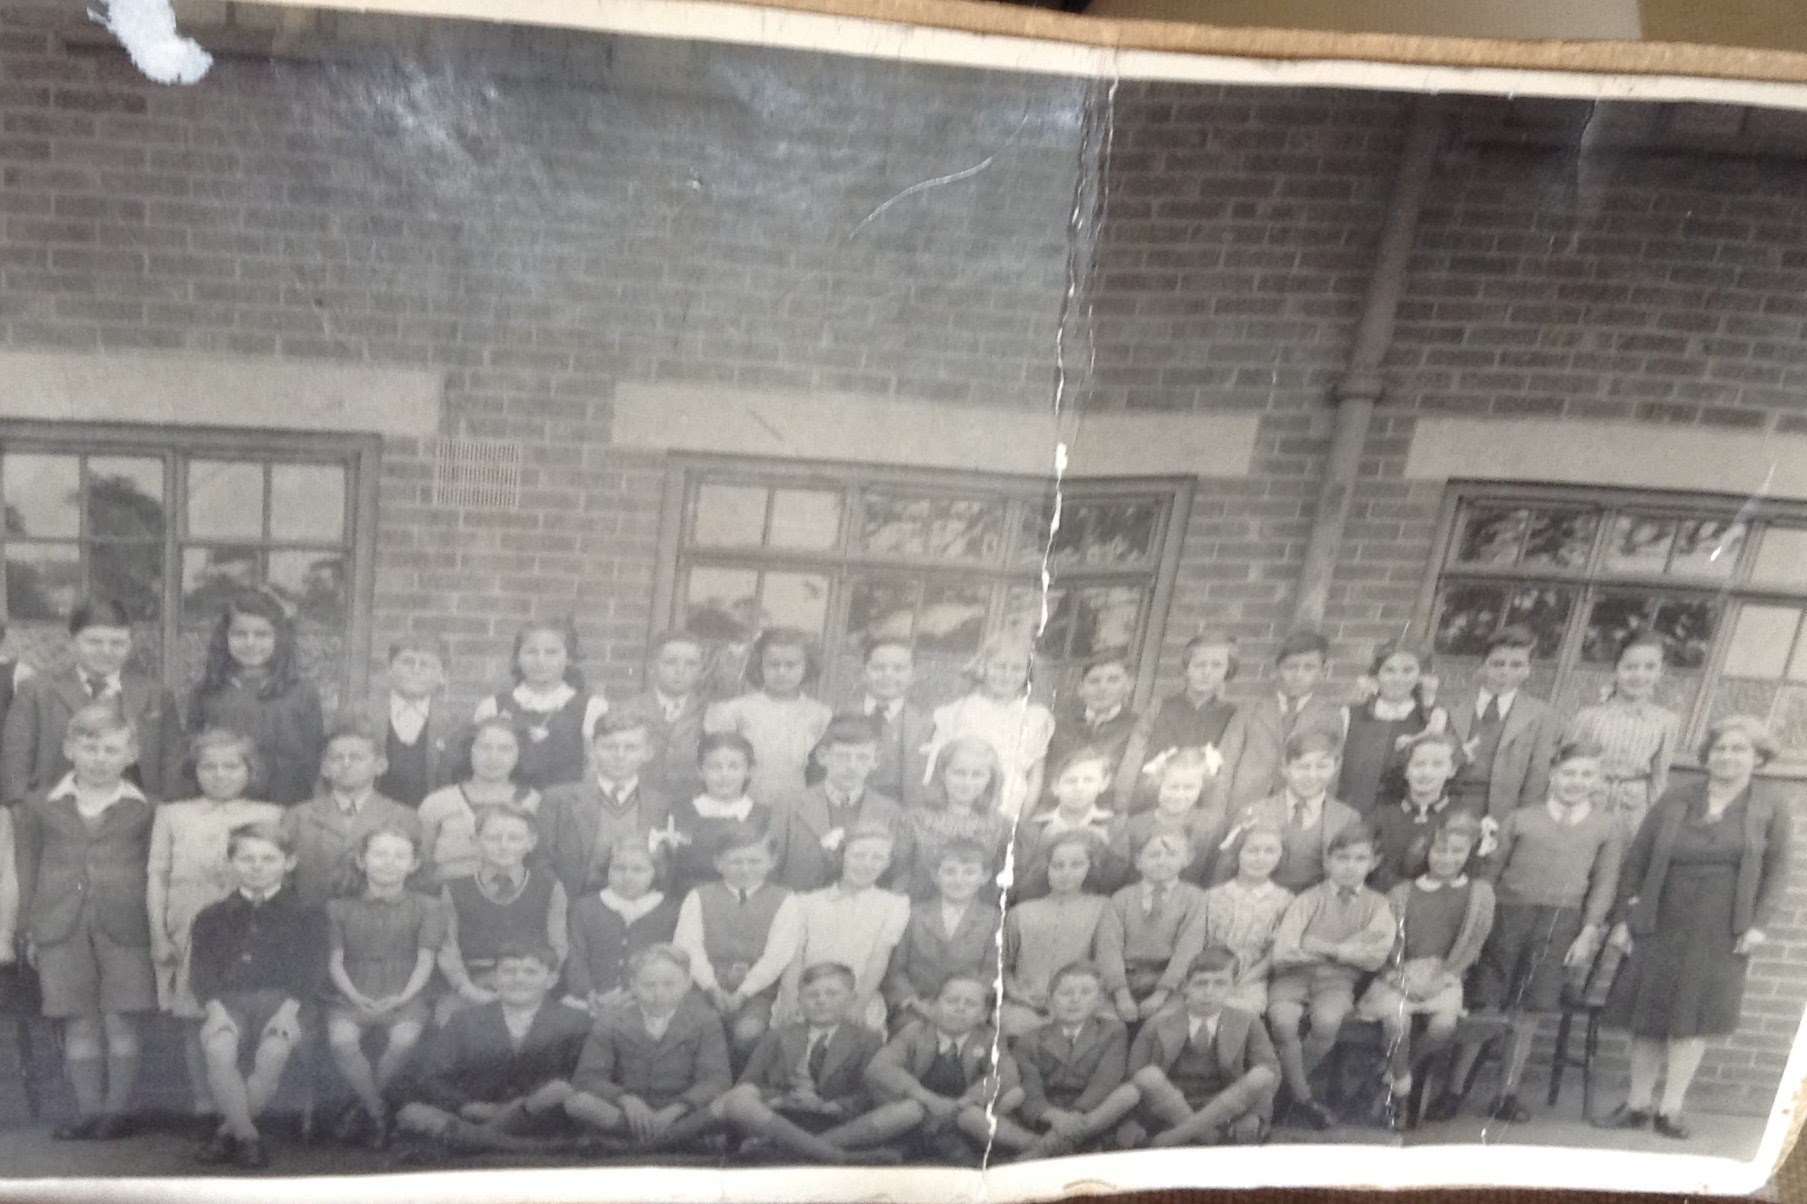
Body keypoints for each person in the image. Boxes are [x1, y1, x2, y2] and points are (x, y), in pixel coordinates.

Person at [1597, 715, 1791, 1141]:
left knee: (1694, 1016)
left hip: (1721, 926)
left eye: (1739, 749)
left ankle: (1671, 1108)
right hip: (1660, 916)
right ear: (1707, 756)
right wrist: (1623, 919)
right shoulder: (1677, 798)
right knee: (1647, 1013)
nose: (1727, 756)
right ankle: (1637, 1103)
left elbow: (1778, 871)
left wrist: (1758, 925)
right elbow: (1638, 858)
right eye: (1720, 748)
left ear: (1757, 758)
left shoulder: (1769, 805)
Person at [1436, 739, 1622, 1125]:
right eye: (1569, 773)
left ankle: (1506, 1093)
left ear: (1598, 780)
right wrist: (1483, 923)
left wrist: (1588, 931)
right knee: (1486, 1001)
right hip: (1509, 916)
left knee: (1530, 1009)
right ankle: (1454, 1090)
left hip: (1561, 921)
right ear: (1554, 774)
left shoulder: (1606, 826)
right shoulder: (1521, 819)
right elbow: (1490, 875)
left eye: (1586, 774)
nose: (1576, 782)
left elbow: (1604, 883)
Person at [13, 703, 157, 1140]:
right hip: (60, 925)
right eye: (89, 747)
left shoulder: (148, 808)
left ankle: (116, 1111)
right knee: (77, 1019)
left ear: (131, 753)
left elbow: (157, 871)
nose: (99, 758)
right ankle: (87, 1110)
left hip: (127, 927)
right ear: (68, 749)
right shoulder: (41, 806)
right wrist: (27, 929)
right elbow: (26, 868)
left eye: (112, 749)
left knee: (120, 1018)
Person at [147, 728, 283, 1117]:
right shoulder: (173, 814)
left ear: (249, 771)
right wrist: (159, 934)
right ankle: (205, 1103)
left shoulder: (268, 814)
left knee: (243, 1007)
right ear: (195, 770)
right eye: (209, 766)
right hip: (187, 921)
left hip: (246, 922)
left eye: (231, 766)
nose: (220, 774)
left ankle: (243, 1105)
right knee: (197, 1013)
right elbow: (157, 875)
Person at [188, 821, 328, 1169]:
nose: (257, 867)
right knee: (218, 1049)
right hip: (229, 1004)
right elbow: (201, 973)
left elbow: (311, 970)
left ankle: (226, 1133)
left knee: (273, 1051)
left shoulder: (307, 914)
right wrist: (216, 1011)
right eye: (247, 858)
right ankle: (247, 1136)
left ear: (289, 862)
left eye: (269, 859)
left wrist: (287, 1013)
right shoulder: (211, 916)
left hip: (286, 1004)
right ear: (231, 863)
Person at [394, 941, 591, 1157]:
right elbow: (431, 1076)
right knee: (412, 1113)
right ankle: (528, 1147)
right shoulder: (465, 1021)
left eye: (531, 972)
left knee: (556, 1090)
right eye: (508, 971)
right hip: (477, 1113)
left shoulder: (576, 1021)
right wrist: (466, 1105)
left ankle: (473, 1140)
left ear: (551, 980)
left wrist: (530, 1104)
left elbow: (582, 1079)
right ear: (495, 978)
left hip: (541, 1116)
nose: (519, 979)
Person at [1358, 817, 1494, 1129]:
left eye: (1456, 852)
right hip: (1400, 971)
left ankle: (1392, 1073)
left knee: (1444, 1025)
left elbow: (1475, 940)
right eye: (1439, 851)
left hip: (1445, 974)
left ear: (1468, 854)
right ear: (1425, 853)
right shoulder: (1403, 892)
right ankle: (1402, 1090)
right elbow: (1386, 941)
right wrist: (1399, 979)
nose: (1446, 859)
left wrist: (1447, 976)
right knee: (1398, 1022)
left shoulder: (1479, 893)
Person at [1265, 822, 1393, 1130]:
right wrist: (1349, 950)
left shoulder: (1378, 905)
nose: (1350, 867)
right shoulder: (1308, 899)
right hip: (1292, 977)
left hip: (1338, 982)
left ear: (1373, 862)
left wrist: (1319, 946)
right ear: (1328, 861)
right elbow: (1285, 951)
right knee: (1282, 1021)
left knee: (1327, 1023)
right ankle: (1303, 1097)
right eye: (1342, 858)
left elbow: (1375, 957)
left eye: (1360, 859)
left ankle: (1284, 1092)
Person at [324, 826, 445, 1148]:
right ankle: (377, 1112)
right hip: (352, 990)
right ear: (362, 861)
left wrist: (403, 997)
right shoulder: (338, 908)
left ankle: (362, 1107)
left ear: (414, 863)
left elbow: (425, 960)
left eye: (399, 855)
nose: (388, 862)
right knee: (342, 1041)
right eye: (379, 854)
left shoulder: (428, 907)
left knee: (404, 1040)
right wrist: (355, 996)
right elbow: (336, 961)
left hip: (406, 991)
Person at [1, 598, 184, 805]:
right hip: (54, 817)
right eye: (94, 642)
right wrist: (21, 810)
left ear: (130, 644)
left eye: (117, 643)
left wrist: (167, 813)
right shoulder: (37, 691)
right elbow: (14, 762)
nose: (106, 651)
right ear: (72, 641)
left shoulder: (156, 695)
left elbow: (172, 765)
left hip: (137, 819)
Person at [562, 944, 732, 1151]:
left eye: (669, 984)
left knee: (728, 1104)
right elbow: (587, 1077)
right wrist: (626, 1099)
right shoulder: (612, 1020)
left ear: (688, 984)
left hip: (682, 1113)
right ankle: (671, 1141)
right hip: (628, 1115)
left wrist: (675, 1110)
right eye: (649, 985)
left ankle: (632, 1145)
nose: (659, 993)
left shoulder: (705, 1019)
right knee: (577, 1102)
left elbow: (716, 1079)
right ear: (633, 985)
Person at [716, 961, 887, 1164]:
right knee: (740, 1100)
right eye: (812, 995)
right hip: (781, 1117)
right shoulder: (778, 1036)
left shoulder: (867, 1040)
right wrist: (781, 1099)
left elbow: (868, 1092)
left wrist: (829, 1106)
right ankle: (838, 1157)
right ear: (799, 1001)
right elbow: (749, 1083)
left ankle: (782, 1149)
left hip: (832, 1119)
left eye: (832, 994)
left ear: (851, 999)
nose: (821, 1001)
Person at [1124, 949, 1280, 1148]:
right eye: (1201, 983)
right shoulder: (1158, 1023)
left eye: (1219, 983)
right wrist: (1133, 1121)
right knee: (1149, 1076)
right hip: (1169, 1107)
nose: (1209, 991)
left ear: (1232, 987)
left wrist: (1255, 1114)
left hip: (1225, 1107)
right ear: (1185, 987)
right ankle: (1212, 1140)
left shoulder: (1247, 1021)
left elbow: (1270, 1072)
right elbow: (1134, 1075)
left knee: (1261, 1074)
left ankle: (1176, 1137)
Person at [671, 826, 802, 1063]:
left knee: (747, 1034)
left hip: (757, 991)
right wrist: (711, 988)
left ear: (771, 862)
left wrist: (743, 993)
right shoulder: (699, 896)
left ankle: (740, 1085)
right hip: (704, 988)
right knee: (695, 1030)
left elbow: (777, 956)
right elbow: (688, 948)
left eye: (754, 861)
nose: (745, 869)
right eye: (735, 861)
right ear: (718, 863)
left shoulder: (785, 899)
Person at [862, 973, 1022, 1163]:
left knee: (1004, 1099)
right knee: (904, 1107)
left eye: (970, 1004)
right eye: (951, 1001)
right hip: (920, 1109)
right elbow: (879, 1066)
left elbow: (1005, 1073)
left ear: (983, 1015)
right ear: (932, 1007)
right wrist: (925, 1097)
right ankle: (834, 1144)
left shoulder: (989, 1038)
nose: (959, 1008)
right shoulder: (914, 1032)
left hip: (963, 1110)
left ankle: (1032, 1146)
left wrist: (968, 1100)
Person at [186, 591, 326, 805]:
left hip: (286, 805)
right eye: (240, 634)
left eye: (261, 635)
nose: (250, 643)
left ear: (279, 638)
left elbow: (313, 761)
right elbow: (195, 757)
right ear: (225, 638)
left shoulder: (302, 692)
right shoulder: (207, 692)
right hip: (221, 807)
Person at [436, 806, 568, 1025]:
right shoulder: (455, 889)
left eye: (514, 838)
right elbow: (448, 949)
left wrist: (532, 989)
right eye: (494, 838)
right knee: (450, 1023)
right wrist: (469, 991)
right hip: (475, 985)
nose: (504, 846)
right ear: (476, 841)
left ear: (531, 842)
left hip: (530, 986)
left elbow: (558, 946)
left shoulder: (549, 887)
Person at [779, 825, 909, 1032]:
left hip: (858, 996)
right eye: (858, 855)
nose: (866, 864)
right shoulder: (804, 902)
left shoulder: (894, 904)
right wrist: (790, 997)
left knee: (855, 1041)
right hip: (807, 994)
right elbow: (794, 956)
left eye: (877, 857)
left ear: (887, 864)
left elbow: (879, 957)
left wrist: (860, 1005)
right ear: (842, 856)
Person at [280, 720, 421, 909]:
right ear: (324, 768)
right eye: (337, 758)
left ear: (380, 765)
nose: (346, 764)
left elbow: (419, 883)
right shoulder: (298, 816)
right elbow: (282, 878)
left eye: (357, 757)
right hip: (312, 919)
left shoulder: (404, 817)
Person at [1007, 962, 1140, 1157]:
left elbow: (1106, 1080)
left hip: (1094, 1112)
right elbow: (1031, 1091)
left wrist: (1076, 1115)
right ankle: (1067, 1143)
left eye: (1085, 992)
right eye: (1065, 993)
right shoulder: (1029, 1040)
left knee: (1129, 1093)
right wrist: (1055, 1117)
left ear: (1100, 1000)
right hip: (1051, 1116)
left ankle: (1045, 1149)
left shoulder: (1113, 1030)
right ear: (1050, 1001)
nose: (1075, 999)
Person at [1209, 629, 1342, 817]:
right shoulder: (1251, 709)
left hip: (1295, 811)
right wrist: (1217, 814)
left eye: (1309, 668)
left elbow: (1330, 775)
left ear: (1322, 671)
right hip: (1244, 806)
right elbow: (1225, 763)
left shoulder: (1329, 716)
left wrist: (1315, 817)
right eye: (1291, 667)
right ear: (1277, 669)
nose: (1298, 675)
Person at [772, 713, 907, 894]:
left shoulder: (890, 812)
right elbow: (771, 869)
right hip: (800, 909)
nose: (851, 766)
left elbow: (895, 876)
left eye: (862, 758)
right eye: (842, 757)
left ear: (875, 761)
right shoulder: (790, 806)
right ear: (823, 757)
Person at [538, 711, 669, 898]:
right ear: (592, 749)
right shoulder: (559, 800)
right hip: (575, 905)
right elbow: (542, 864)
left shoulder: (661, 805)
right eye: (609, 747)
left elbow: (666, 870)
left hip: (641, 908)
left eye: (631, 747)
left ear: (647, 752)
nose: (620, 755)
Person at [927, 632, 1056, 820]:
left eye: (1017, 668)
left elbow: (1035, 777)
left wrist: (1021, 821)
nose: (1007, 675)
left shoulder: (1036, 717)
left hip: (1009, 809)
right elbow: (936, 769)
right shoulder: (957, 712)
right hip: (958, 809)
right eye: (999, 666)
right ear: (983, 667)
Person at [1216, 729, 1360, 894]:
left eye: (1322, 766)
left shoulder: (1347, 818)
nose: (1312, 776)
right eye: (1302, 766)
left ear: (1335, 767)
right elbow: (1224, 872)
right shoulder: (1253, 811)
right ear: (1284, 768)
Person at [1567, 631, 1681, 838]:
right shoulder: (1588, 717)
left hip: (1633, 811)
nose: (1639, 675)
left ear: (1660, 672)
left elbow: (1659, 778)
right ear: (1615, 670)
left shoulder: (1666, 722)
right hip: (1587, 803)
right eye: (1630, 667)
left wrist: (1654, 824)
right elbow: (1567, 768)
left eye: (1649, 667)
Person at [473, 619, 608, 793]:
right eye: (531, 652)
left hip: (564, 809)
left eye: (551, 653)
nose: (540, 661)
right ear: (518, 658)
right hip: (506, 809)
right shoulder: (494, 706)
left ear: (569, 658)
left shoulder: (591, 708)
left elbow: (595, 770)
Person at [884, 840, 1003, 1032]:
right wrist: (915, 1003)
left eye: (969, 872)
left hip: (968, 1010)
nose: (958, 880)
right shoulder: (913, 914)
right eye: (950, 871)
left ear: (985, 877)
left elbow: (990, 972)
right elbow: (896, 970)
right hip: (918, 1008)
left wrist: (961, 1007)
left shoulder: (993, 920)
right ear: (935, 875)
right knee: (911, 1035)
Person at [704, 627, 833, 805]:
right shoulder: (735, 711)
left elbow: (821, 774)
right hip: (742, 807)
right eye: (773, 664)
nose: (781, 672)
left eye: (791, 665)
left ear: (806, 666)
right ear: (760, 665)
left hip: (797, 808)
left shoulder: (820, 715)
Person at [1000, 831, 1111, 1037]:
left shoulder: (1102, 908)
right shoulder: (1021, 913)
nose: (1065, 873)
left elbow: (1106, 964)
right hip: (1026, 1006)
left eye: (1076, 865)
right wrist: (1017, 995)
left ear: (1090, 868)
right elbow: (1004, 966)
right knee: (1013, 1025)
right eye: (1057, 866)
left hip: (1083, 1005)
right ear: (1046, 868)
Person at [1445, 625, 1559, 822]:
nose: (1505, 672)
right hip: (1448, 807)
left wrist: (1520, 823)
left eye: (1516, 665)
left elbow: (1537, 778)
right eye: (1498, 664)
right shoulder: (1452, 707)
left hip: (1503, 815)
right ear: (1484, 665)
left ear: (1528, 670)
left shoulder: (1540, 715)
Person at [1115, 631, 1238, 813]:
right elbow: (1134, 756)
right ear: (1186, 668)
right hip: (1152, 803)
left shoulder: (1233, 715)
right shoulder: (1160, 707)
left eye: (1216, 665)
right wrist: (1122, 803)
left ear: (1228, 671)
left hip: (1200, 808)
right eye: (1199, 664)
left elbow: (1229, 769)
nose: (1206, 672)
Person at [1097, 830, 1210, 1024]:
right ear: (1138, 861)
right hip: (1124, 980)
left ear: (1186, 859)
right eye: (1154, 854)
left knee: (1162, 1025)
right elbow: (1109, 949)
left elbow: (1188, 949)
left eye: (1171, 854)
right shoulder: (1121, 898)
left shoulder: (1193, 898)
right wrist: (1121, 995)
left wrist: (1161, 995)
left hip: (1170, 983)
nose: (1162, 861)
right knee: (1107, 1024)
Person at [416, 717, 542, 888]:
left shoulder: (534, 802)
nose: (493, 757)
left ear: (519, 754)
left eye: (505, 749)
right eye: (484, 747)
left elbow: (538, 866)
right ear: (469, 750)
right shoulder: (437, 803)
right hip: (445, 899)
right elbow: (424, 863)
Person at [563, 841, 680, 1015]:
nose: (628, 876)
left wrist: (634, 994)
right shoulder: (585, 907)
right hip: (589, 1001)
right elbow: (575, 956)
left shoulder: (671, 911)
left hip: (646, 1001)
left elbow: (672, 963)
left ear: (655, 873)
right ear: (607, 871)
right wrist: (589, 993)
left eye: (638, 870)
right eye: (619, 869)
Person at [657, 732, 778, 901]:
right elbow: (665, 871)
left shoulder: (763, 816)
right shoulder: (679, 812)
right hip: (686, 904)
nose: (724, 775)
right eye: (715, 767)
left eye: (734, 767)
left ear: (749, 771)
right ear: (700, 771)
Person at [1338, 640, 1447, 818]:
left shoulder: (1433, 718)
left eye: (1408, 670)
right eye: (1389, 670)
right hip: (1352, 812)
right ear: (1375, 675)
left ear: (1421, 676)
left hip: (1402, 818)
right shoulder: (1350, 714)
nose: (1398, 679)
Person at [898, 736, 1012, 902]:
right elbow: (900, 876)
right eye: (959, 773)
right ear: (943, 773)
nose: (967, 782)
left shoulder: (1002, 826)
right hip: (919, 910)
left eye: (977, 775)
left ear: (990, 779)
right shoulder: (915, 820)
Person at [1010, 747, 1127, 901]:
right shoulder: (1033, 828)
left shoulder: (1114, 826)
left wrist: (1101, 849)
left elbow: (1117, 881)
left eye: (1088, 780)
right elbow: (1020, 883)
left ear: (1103, 784)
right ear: (1055, 787)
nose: (1079, 788)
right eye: (1070, 780)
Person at [1198, 825, 1293, 1015]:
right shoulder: (1212, 896)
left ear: (1280, 857)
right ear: (1237, 854)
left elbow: (1275, 953)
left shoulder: (1285, 900)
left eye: (1270, 851)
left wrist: (1245, 980)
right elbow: (1198, 943)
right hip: (1206, 974)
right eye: (1252, 850)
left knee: (1237, 1015)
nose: (1260, 858)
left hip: (1251, 979)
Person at [1111, 747, 1228, 888]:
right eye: (1173, 787)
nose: (1179, 795)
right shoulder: (1135, 826)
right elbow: (1121, 878)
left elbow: (1213, 875)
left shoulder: (1212, 826)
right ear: (1158, 785)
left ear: (1201, 787)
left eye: (1189, 788)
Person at [1369, 730, 1470, 892]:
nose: (1426, 772)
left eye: (1437, 764)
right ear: (1406, 771)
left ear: (1452, 770)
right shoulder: (1382, 816)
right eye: (1418, 764)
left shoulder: (1461, 816)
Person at [372, 635, 461, 808]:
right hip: (374, 820)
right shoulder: (361, 715)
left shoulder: (454, 723)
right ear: (389, 669)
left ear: (442, 676)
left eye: (425, 664)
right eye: (407, 662)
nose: (415, 669)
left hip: (429, 820)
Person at [1043, 652, 1142, 809]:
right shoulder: (1059, 724)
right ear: (1080, 688)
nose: (1102, 688)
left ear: (1129, 685)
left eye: (1113, 680)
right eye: (1094, 681)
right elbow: (1045, 774)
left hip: (1109, 812)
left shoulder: (1138, 727)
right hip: (1056, 809)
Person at [849, 637, 934, 810]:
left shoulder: (927, 725)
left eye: (899, 669)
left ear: (913, 675)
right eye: (878, 668)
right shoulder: (840, 715)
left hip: (899, 817)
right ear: (863, 672)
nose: (888, 674)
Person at [628, 631, 709, 805]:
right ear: (651, 667)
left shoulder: (710, 713)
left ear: (701, 671)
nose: (680, 670)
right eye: (671, 662)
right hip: (639, 805)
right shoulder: (629, 710)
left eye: (691, 664)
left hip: (692, 807)